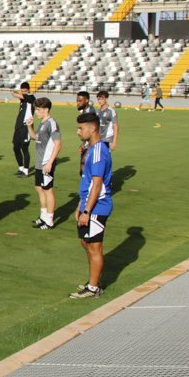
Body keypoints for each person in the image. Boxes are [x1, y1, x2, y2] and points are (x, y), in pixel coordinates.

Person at [70, 113, 113, 298]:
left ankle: (94, 288)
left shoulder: (98, 151)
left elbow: (97, 184)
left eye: (81, 128)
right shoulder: (91, 149)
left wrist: (87, 210)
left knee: (94, 247)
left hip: (97, 206)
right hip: (89, 205)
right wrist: (81, 204)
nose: (78, 132)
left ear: (92, 128)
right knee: (86, 242)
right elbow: (86, 179)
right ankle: (92, 282)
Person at [28, 98, 62, 230]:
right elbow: (35, 137)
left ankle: (49, 220)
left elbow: (58, 144)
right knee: (39, 189)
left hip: (46, 163)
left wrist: (49, 163)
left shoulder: (51, 123)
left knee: (48, 190)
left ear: (46, 109)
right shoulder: (42, 123)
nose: (36, 112)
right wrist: (29, 126)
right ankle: (43, 217)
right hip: (39, 163)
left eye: (38, 110)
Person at [11, 82, 35, 178]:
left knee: (25, 148)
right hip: (18, 126)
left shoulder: (31, 97)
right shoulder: (23, 99)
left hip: (26, 126)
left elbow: (15, 94)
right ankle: (21, 168)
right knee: (16, 147)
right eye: (22, 91)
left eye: (25, 91)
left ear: (28, 90)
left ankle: (26, 170)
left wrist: (17, 93)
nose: (24, 93)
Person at [75, 90, 96, 175]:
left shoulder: (90, 113)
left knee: (86, 172)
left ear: (87, 100)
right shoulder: (85, 111)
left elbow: (91, 133)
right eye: (77, 101)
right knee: (84, 172)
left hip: (90, 147)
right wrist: (83, 144)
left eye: (80, 101)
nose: (78, 103)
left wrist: (87, 150)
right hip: (87, 145)